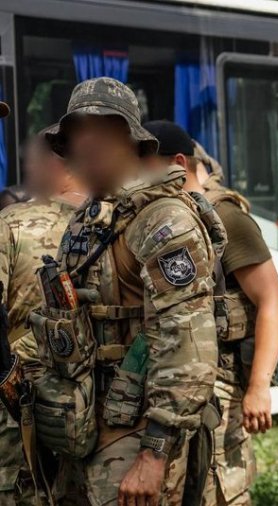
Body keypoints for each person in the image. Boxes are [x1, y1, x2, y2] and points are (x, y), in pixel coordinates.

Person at [33, 77, 220, 505]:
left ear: (129, 143)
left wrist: (154, 453)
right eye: (77, 142)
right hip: (82, 429)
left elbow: (188, 344)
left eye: (98, 140)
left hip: (136, 439)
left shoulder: (164, 221)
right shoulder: (89, 219)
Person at [141, 120, 278, 505]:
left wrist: (259, 387)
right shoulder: (155, 220)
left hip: (220, 389)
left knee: (219, 489)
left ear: (177, 164)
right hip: (166, 386)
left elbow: (272, 301)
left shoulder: (225, 217)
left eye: (145, 167)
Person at [0, 121, 86, 504]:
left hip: (22, 408)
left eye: (32, 161)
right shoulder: (116, 222)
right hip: (98, 410)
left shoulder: (12, 223)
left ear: (57, 163)